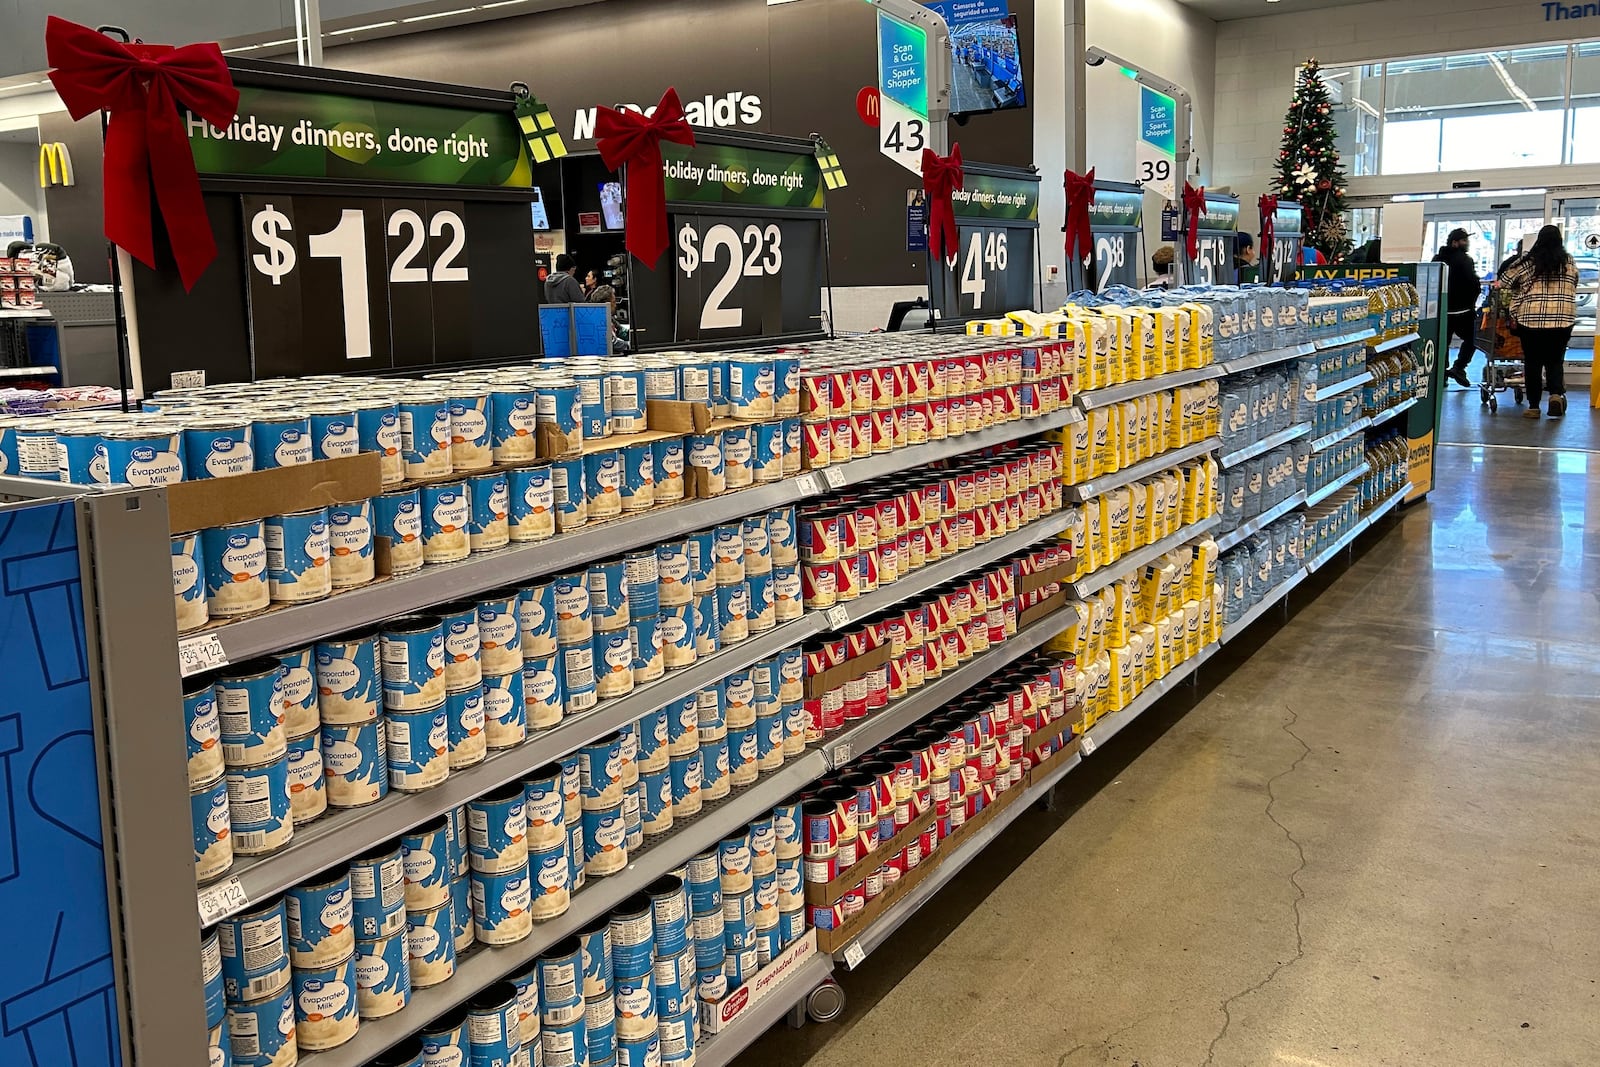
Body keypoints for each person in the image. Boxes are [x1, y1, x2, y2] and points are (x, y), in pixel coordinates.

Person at [1498, 224, 1577, 418]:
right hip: (1563, 319)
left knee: (1533, 362)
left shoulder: (1529, 262)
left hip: (1531, 320)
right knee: (1555, 360)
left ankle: (1534, 406)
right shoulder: (1568, 261)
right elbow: (1575, 281)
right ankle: (1556, 395)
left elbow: (1505, 281)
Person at [1432, 228, 1482, 388]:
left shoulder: (1437, 259)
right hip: (1463, 311)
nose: (1467, 243)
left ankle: (1441, 375)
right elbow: (1473, 283)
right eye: (1464, 240)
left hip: (1442, 310)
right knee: (1473, 338)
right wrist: (1472, 302)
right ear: (1455, 242)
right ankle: (1459, 367)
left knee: (1442, 343)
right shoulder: (1465, 260)